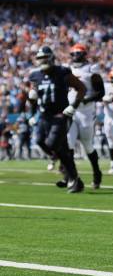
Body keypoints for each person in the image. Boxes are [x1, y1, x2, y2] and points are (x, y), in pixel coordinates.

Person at [27, 46, 86, 193]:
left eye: (45, 58)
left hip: (61, 115)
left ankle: (72, 177)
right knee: (42, 142)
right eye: (40, 58)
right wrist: (31, 110)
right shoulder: (35, 75)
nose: (43, 61)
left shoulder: (62, 72)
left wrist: (73, 106)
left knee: (53, 144)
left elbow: (81, 88)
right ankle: (71, 176)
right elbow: (34, 98)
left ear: (52, 58)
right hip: (44, 115)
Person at [64, 43, 105, 189]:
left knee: (87, 145)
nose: (75, 56)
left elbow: (101, 93)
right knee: (68, 143)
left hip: (86, 112)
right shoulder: (67, 69)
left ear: (84, 54)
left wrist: (85, 99)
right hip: (71, 111)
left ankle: (96, 173)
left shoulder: (91, 69)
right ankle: (72, 177)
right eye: (73, 53)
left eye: (78, 53)